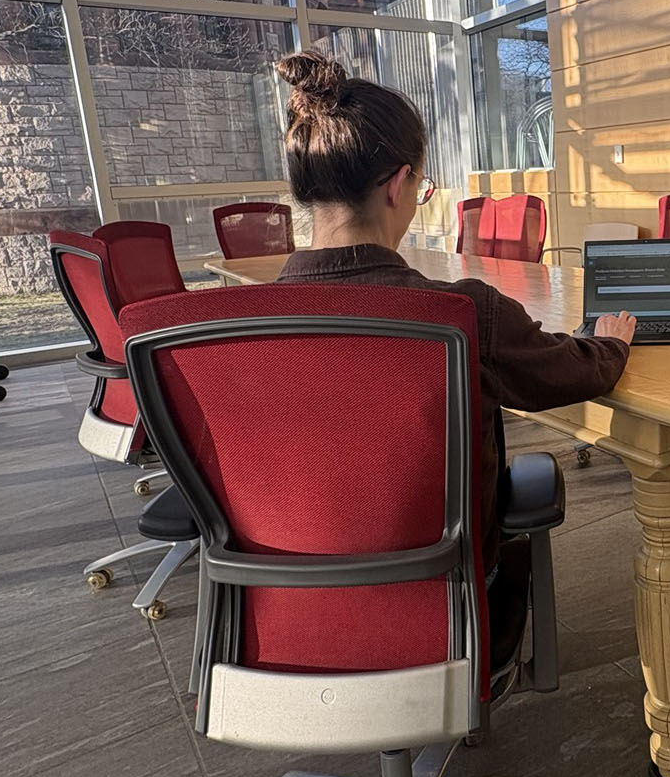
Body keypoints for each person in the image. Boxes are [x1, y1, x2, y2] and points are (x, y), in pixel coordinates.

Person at [270, 50, 636, 673]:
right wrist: (613, 341)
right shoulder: (457, 314)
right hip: (446, 609)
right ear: (397, 183)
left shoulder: (238, 330)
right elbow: (573, 372)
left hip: (285, 611)